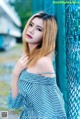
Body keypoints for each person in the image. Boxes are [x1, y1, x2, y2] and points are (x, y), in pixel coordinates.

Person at [7, 11, 67, 119]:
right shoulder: (29, 58)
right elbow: (15, 103)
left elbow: (55, 110)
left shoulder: (42, 62)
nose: (31, 30)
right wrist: (16, 73)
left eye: (39, 29)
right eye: (31, 24)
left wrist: (16, 73)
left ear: (46, 36)